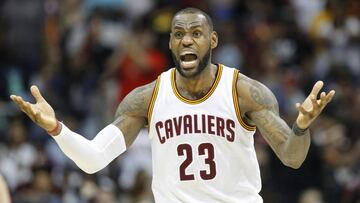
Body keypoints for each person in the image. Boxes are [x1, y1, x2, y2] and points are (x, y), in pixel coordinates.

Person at [10, 7, 335, 203]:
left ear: (213, 40)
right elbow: (94, 160)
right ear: (170, 43)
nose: (187, 40)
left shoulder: (244, 92)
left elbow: (292, 157)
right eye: (179, 34)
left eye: (196, 32)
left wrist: (301, 125)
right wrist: (56, 128)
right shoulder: (147, 97)